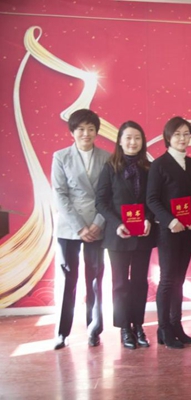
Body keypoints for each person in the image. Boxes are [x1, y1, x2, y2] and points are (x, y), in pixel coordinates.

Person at [51, 109, 110, 350]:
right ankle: (62, 332)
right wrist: (79, 227)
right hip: (70, 228)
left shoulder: (107, 157)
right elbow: (60, 194)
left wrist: (97, 223)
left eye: (91, 129)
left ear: (97, 132)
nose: (86, 133)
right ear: (72, 131)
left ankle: (94, 329)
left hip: (97, 224)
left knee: (95, 278)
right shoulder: (60, 156)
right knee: (68, 278)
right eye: (81, 129)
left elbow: (110, 194)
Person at [96, 121, 156, 349]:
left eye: (137, 138)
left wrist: (148, 218)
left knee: (140, 282)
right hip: (118, 235)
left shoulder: (149, 168)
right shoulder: (110, 168)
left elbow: (153, 199)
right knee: (120, 283)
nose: (133, 142)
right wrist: (117, 224)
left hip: (143, 234)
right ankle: (124, 328)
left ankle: (138, 325)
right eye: (128, 138)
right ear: (120, 141)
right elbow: (101, 202)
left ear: (143, 142)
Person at [147, 116, 191, 349]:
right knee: (168, 279)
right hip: (168, 231)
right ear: (168, 137)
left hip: (187, 230)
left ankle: (176, 325)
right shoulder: (159, 165)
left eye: (186, 134)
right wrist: (171, 221)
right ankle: (164, 329)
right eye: (177, 134)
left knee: (180, 279)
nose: (182, 138)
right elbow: (152, 199)